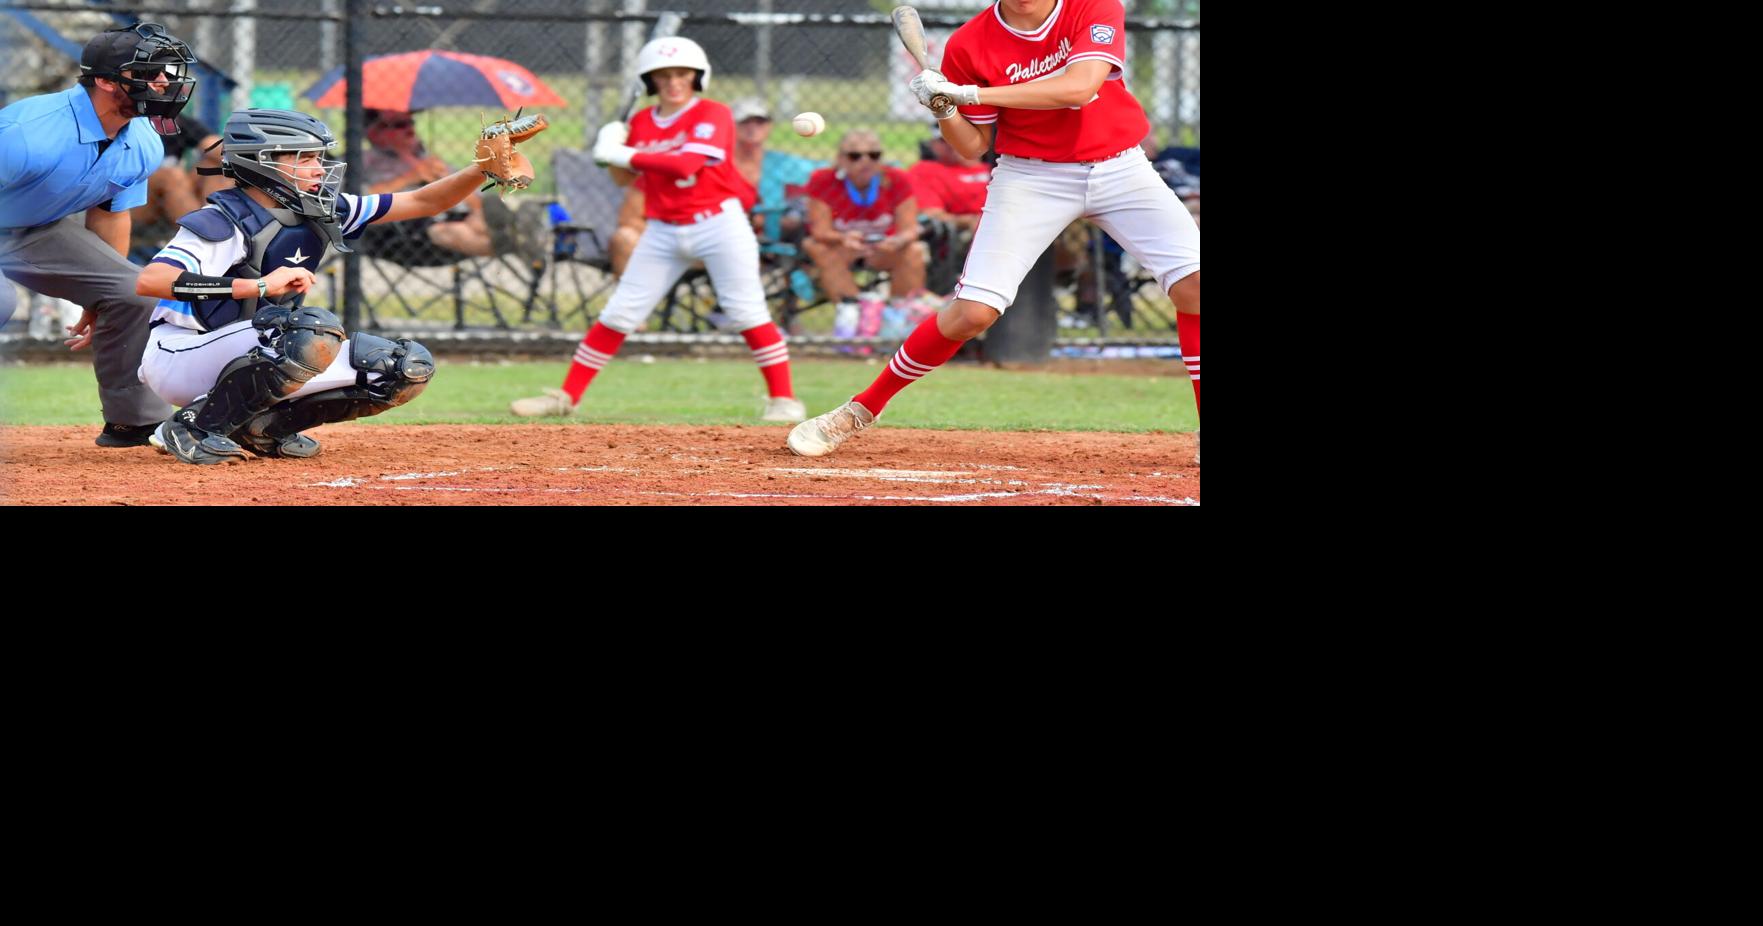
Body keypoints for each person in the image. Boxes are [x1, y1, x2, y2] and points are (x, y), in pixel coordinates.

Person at [788, 0, 1201, 463]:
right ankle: (862, 408)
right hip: (1031, 177)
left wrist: (973, 96)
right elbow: (972, 145)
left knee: (1195, 286)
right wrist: (943, 106)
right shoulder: (971, 42)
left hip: (1120, 167)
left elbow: (1079, 88)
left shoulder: (1094, 6)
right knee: (972, 315)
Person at [132, 108, 533, 463]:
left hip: (254, 348)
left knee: (399, 369)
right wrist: (256, 287)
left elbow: (424, 203)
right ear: (263, 163)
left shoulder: (322, 209)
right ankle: (192, 427)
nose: (319, 168)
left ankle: (261, 428)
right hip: (182, 353)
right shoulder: (222, 220)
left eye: (318, 157)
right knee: (310, 331)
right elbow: (152, 280)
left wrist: (481, 169)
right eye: (304, 158)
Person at [509, 36, 804, 424]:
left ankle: (784, 400)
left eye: (682, 74)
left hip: (718, 223)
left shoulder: (713, 114)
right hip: (663, 228)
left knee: (746, 310)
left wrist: (624, 152)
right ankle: (567, 396)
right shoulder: (642, 122)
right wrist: (608, 145)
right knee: (619, 313)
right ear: (650, 81)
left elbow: (686, 165)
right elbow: (621, 176)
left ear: (698, 77)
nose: (673, 82)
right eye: (663, 76)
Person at [0, 22, 196, 448]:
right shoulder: (27, 134)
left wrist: (98, 293)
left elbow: (110, 213)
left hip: (36, 228)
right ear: (106, 81)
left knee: (136, 290)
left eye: (167, 72)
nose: (165, 82)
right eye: (150, 73)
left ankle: (134, 421)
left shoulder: (143, 139)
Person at [356, 108, 542, 265]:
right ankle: (518, 240)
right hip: (409, 229)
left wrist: (447, 180)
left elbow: (478, 206)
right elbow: (361, 202)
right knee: (452, 230)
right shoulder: (364, 161)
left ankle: (512, 234)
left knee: (478, 216)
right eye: (399, 125)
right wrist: (411, 177)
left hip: (458, 215)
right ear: (374, 132)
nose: (409, 129)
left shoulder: (429, 159)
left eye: (410, 123)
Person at [800, 129, 925, 322]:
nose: (865, 162)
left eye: (874, 155)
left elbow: (910, 229)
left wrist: (896, 241)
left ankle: (898, 314)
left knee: (914, 250)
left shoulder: (897, 179)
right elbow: (820, 231)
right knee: (816, 247)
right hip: (843, 248)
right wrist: (843, 238)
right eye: (854, 156)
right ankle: (855, 312)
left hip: (883, 248)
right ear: (840, 159)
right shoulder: (823, 180)